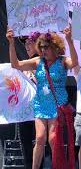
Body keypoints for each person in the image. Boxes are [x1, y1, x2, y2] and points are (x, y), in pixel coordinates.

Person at [6, 27, 78, 169]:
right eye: (42, 46)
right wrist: (11, 43)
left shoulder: (63, 61)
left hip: (57, 105)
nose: (43, 50)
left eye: (47, 47)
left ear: (55, 47)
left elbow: (75, 62)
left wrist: (69, 40)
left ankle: (55, 166)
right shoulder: (38, 61)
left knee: (52, 139)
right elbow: (16, 65)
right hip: (40, 103)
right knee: (39, 138)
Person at [18, 32, 41, 169]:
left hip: (39, 111)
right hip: (24, 112)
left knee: (38, 143)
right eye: (25, 43)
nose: (27, 46)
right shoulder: (25, 64)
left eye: (30, 42)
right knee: (25, 143)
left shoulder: (42, 62)